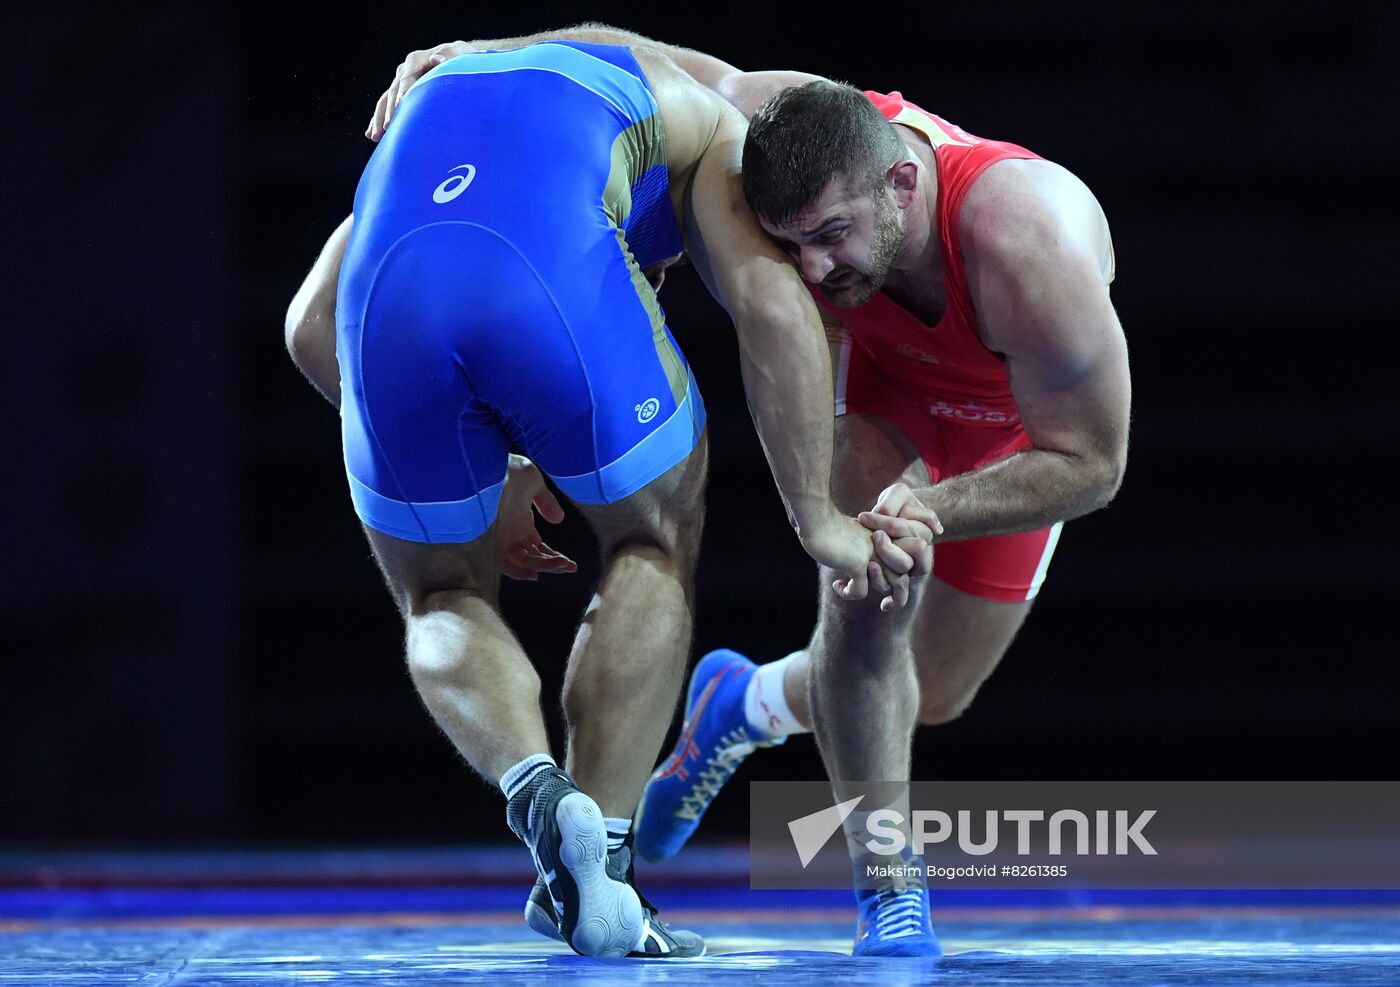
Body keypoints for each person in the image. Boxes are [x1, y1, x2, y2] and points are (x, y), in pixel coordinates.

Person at [371, 25, 1132, 958]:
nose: (813, 270)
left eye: (831, 238)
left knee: (930, 693)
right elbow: (639, 56)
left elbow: (1092, 462)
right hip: (883, 394)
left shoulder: (1033, 236)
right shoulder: (792, 113)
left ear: (901, 182)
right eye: (793, 244)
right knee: (866, 613)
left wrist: (936, 505)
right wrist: (490, 48)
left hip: (1017, 433)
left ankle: (745, 703)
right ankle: (888, 890)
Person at [284, 30, 931, 959]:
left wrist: (486, 464)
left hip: (386, 299)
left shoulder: (460, 94)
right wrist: (818, 518)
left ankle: (539, 797)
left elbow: (311, 329)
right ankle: (610, 861)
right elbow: (770, 307)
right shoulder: (715, 130)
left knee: (438, 594)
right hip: (543, 280)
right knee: (653, 539)